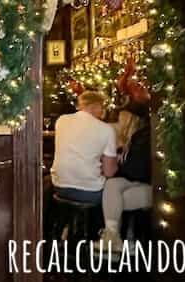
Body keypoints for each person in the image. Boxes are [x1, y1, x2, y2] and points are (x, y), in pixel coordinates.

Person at [98, 109, 152, 252]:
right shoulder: (134, 137)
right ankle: (113, 237)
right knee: (111, 185)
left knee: (116, 200)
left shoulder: (143, 137)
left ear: (130, 120)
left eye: (121, 118)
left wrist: (119, 164)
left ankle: (121, 238)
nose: (118, 122)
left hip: (154, 187)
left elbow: (136, 170)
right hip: (138, 181)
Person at [51, 91, 118, 204]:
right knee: (117, 190)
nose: (103, 111)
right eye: (102, 107)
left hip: (59, 187)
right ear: (95, 106)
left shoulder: (61, 120)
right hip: (90, 192)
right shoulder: (106, 129)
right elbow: (109, 172)